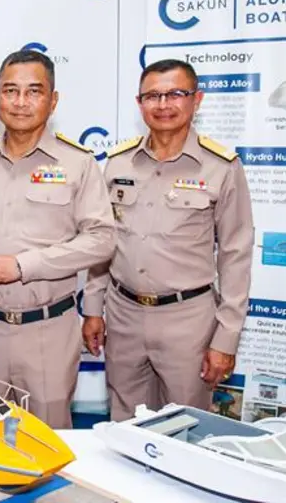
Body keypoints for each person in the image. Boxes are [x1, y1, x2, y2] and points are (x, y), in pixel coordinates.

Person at [82, 59, 254, 421]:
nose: (163, 104)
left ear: (197, 99)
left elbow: (236, 255)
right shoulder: (118, 162)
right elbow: (103, 241)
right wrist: (94, 309)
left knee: (186, 426)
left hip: (187, 321)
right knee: (125, 422)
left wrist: (226, 339)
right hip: (124, 315)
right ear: (139, 102)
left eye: (175, 94)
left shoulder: (221, 166)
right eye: (152, 96)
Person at [0, 50, 116, 429]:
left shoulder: (78, 163)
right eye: (10, 90)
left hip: (48, 334)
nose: (20, 102)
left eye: (33, 91)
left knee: (47, 442)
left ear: (53, 100)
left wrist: (23, 266)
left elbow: (102, 240)